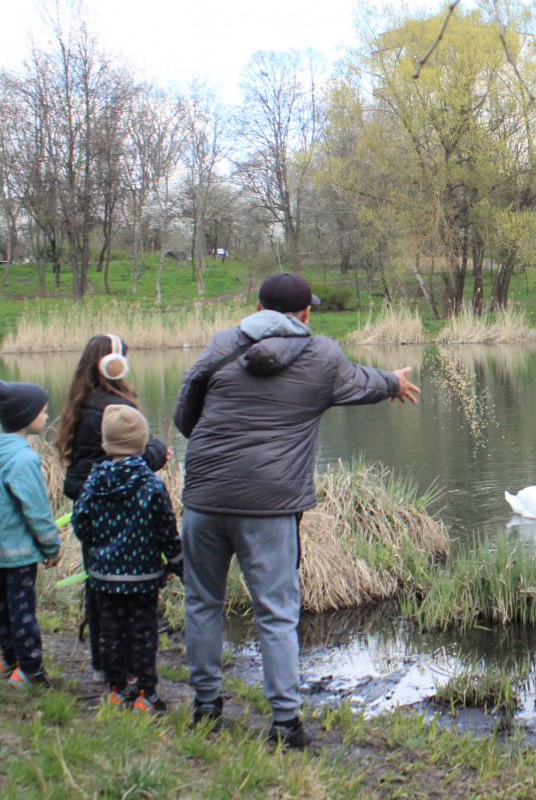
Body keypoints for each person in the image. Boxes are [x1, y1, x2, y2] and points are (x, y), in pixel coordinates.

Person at [173, 272, 421, 749]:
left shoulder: (222, 342)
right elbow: (359, 384)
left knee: (202, 600)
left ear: (259, 307)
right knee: (276, 612)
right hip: (268, 504)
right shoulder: (321, 354)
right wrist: (393, 382)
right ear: (306, 312)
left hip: (204, 496)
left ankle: (206, 707)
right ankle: (284, 724)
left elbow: (186, 410)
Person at [55, 334, 169, 681]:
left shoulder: (80, 401)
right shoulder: (116, 408)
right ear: (113, 364)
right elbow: (127, 463)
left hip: (93, 507)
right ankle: (136, 670)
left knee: (100, 587)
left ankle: (106, 665)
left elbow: (82, 471)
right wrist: (157, 454)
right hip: (122, 513)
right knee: (133, 599)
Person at [72, 405, 182, 713]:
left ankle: (117, 690)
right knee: (143, 634)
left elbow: (80, 523)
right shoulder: (151, 484)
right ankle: (147, 694)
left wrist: (96, 548)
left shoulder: (93, 482)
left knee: (109, 633)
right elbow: (166, 530)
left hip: (103, 577)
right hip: (143, 578)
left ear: (105, 444)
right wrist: (177, 563)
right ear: (142, 443)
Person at [0, 380, 61, 688]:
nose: (47, 416)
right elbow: (36, 510)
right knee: (23, 610)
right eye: (43, 411)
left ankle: (8, 659)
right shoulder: (23, 459)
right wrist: (51, 546)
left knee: (1, 605)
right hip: (19, 551)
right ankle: (30, 669)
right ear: (27, 417)